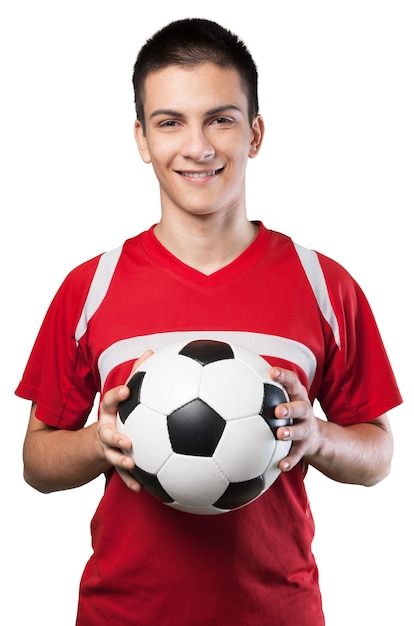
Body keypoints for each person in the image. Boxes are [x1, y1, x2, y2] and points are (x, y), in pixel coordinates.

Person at [16, 17, 402, 626]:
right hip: (124, 615)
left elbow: (380, 452)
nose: (198, 147)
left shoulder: (325, 285)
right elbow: (36, 463)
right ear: (142, 139)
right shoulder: (90, 287)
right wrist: (100, 443)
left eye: (220, 119)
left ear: (254, 133)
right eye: (170, 122)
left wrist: (317, 437)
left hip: (278, 612)